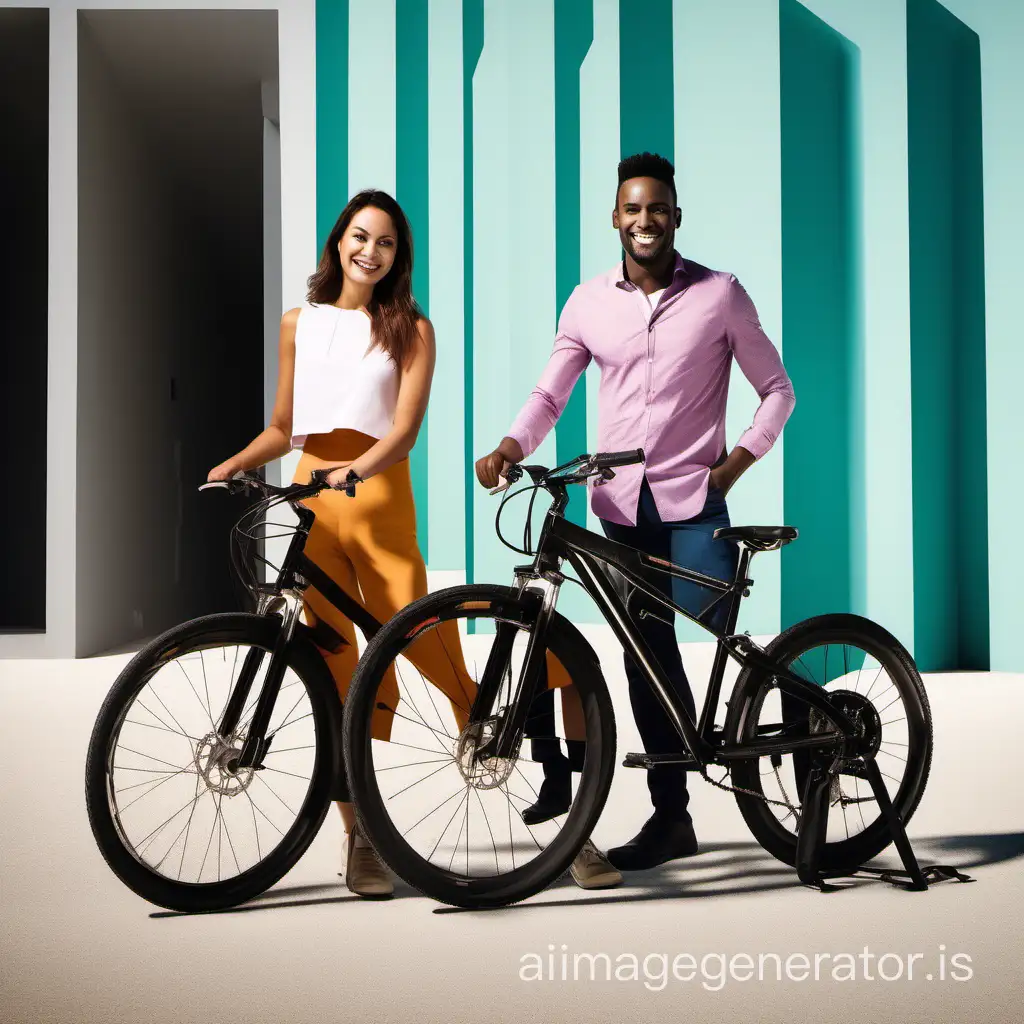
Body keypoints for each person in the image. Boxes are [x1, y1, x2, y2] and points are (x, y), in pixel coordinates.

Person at [475, 152, 795, 876]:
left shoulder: (720, 296)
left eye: (657, 208)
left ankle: (785, 727)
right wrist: (507, 445)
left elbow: (777, 390)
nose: (644, 220)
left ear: (675, 217)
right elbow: (549, 396)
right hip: (620, 509)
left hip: (693, 504)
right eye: (632, 209)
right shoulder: (588, 303)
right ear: (614, 218)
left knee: (711, 639)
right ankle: (672, 812)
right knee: (644, 654)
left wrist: (735, 463)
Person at [208, 189, 478, 897]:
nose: (370, 251)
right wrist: (237, 461)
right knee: (332, 671)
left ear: (398, 257)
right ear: (338, 243)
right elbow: (283, 425)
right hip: (312, 506)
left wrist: (353, 469)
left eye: (385, 242)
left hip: (378, 499)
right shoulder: (299, 323)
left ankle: (523, 769)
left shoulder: (412, 329)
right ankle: (359, 840)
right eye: (360, 236)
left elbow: (405, 431)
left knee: (426, 643)